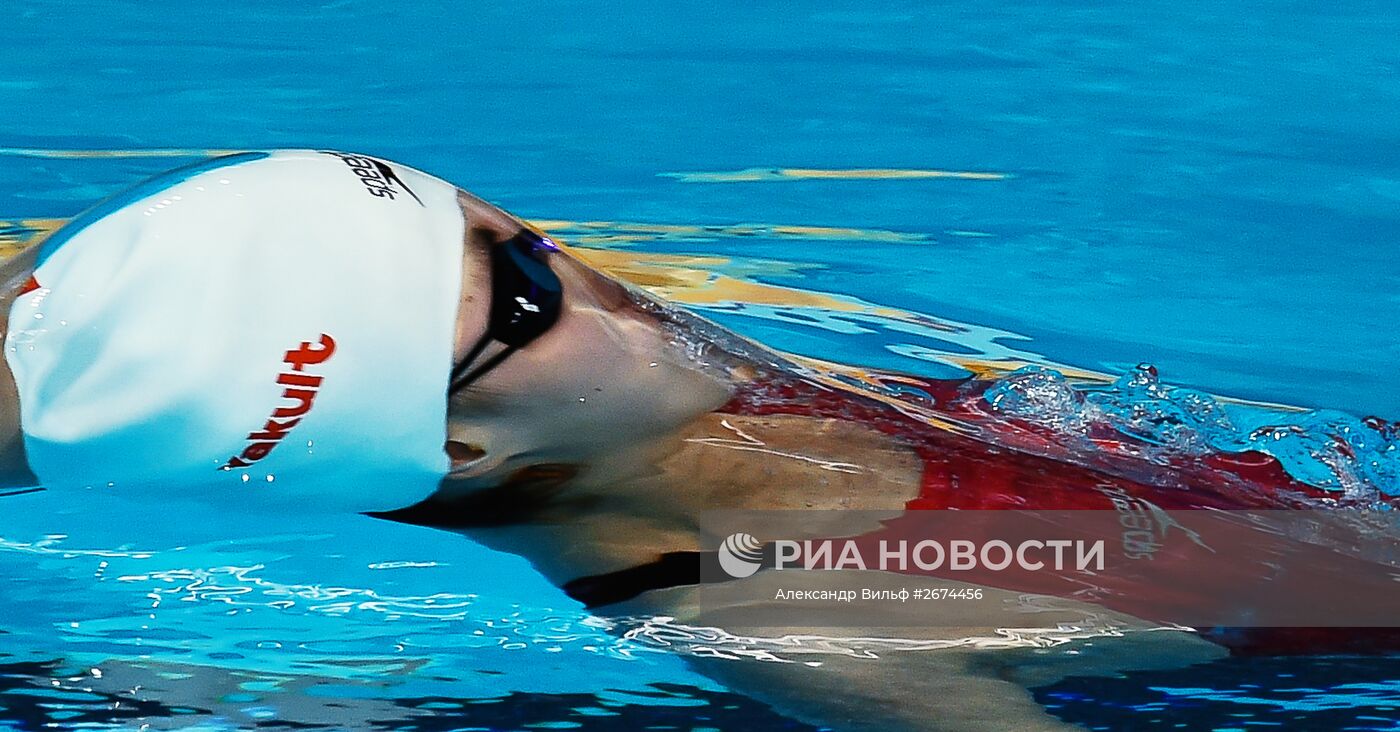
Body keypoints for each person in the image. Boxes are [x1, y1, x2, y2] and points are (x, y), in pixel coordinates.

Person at [1, 151, 1394, 731]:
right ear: (464, 447)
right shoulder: (811, 630)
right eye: (532, 291)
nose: (597, 276)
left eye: (523, 231)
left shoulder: (678, 382)